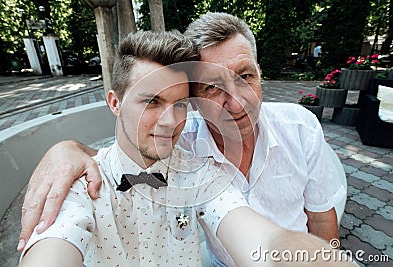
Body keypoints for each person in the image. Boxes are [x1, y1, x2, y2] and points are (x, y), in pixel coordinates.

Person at [18, 13, 346, 266]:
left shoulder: (195, 167)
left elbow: (264, 236)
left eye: (179, 104)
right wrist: (67, 150)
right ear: (115, 103)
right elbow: (56, 243)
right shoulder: (81, 186)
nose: (169, 121)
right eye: (152, 102)